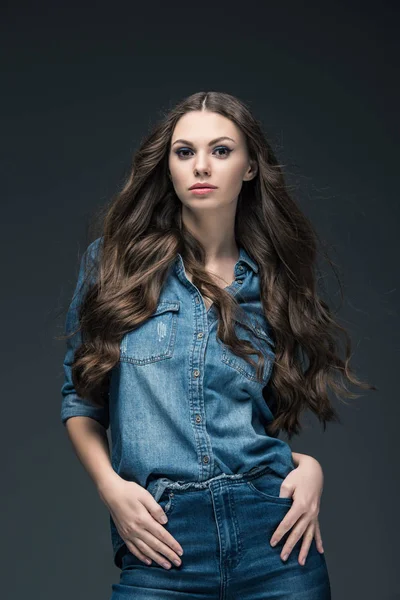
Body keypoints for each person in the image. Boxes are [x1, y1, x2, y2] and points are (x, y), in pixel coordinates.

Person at [60, 91, 374, 599]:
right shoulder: (114, 265)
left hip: (275, 543)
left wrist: (307, 467)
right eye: (185, 152)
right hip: (163, 543)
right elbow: (79, 400)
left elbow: (259, 418)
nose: (201, 166)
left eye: (221, 150)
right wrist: (111, 487)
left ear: (250, 167)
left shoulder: (272, 281)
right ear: (167, 166)